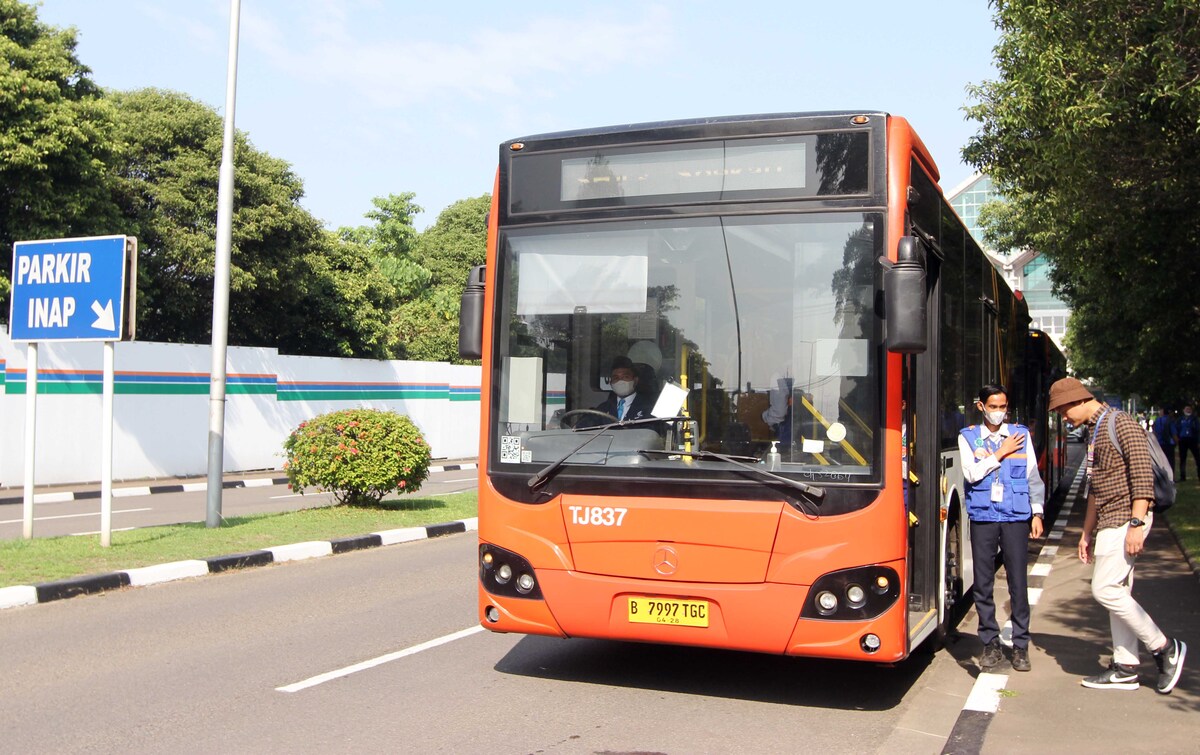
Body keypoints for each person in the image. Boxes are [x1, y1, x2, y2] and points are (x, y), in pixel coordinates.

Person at [1048, 377, 1186, 693]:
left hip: (1127, 517)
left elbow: (1142, 478)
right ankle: (1125, 666)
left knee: (1106, 588)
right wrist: (1086, 533)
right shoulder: (1096, 430)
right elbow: (1096, 487)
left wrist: (1137, 525)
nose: (1063, 418)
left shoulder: (1122, 424)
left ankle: (1165, 648)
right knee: (1119, 592)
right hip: (1110, 520)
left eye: (1063, 411)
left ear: (1077, 401)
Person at [958, 384, 1045, 673]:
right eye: (993, 406)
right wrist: (1000, 454)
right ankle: (990, 643)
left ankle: (1020, 645)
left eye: (1003, 406)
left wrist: (1037, 512)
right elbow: (970, 474)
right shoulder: (968, 437)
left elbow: (1033, 475)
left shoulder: (1021, 435)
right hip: (983, 516)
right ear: (981, 406)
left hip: (1016, 516)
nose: (999, 412)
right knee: (983, 584)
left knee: (1018, 582)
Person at [585, 356, 657, 425]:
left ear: (635, 380)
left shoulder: (650, 407)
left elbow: (653, 432)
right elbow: (582, 427)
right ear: (611, 383)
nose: (620, 381)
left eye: (625, 377)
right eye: (616, 378)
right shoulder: (603, 408)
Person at [1152, 407, 1177, 478]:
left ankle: (1161, 476)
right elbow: (1173, 433)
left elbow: (1154, 432)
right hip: (1169, 443)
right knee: (1170, 460)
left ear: (1162, 412)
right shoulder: (1170, 420)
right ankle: (1171, 476)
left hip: (1159, 443)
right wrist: (1176, 442)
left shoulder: (1157, 420)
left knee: (1160, 461)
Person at [1176, 404, 1199, 481]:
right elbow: (1177, 428)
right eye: (1186, 409)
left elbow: (1198, 430)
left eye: (1189, 409)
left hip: (1192, 439)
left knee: (1197, 457)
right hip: (1182, 440)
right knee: (1182, 459)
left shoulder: (1194, 419)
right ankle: (1183, 476)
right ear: (1183, 410)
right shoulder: (1180, 419)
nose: (1188, 410)